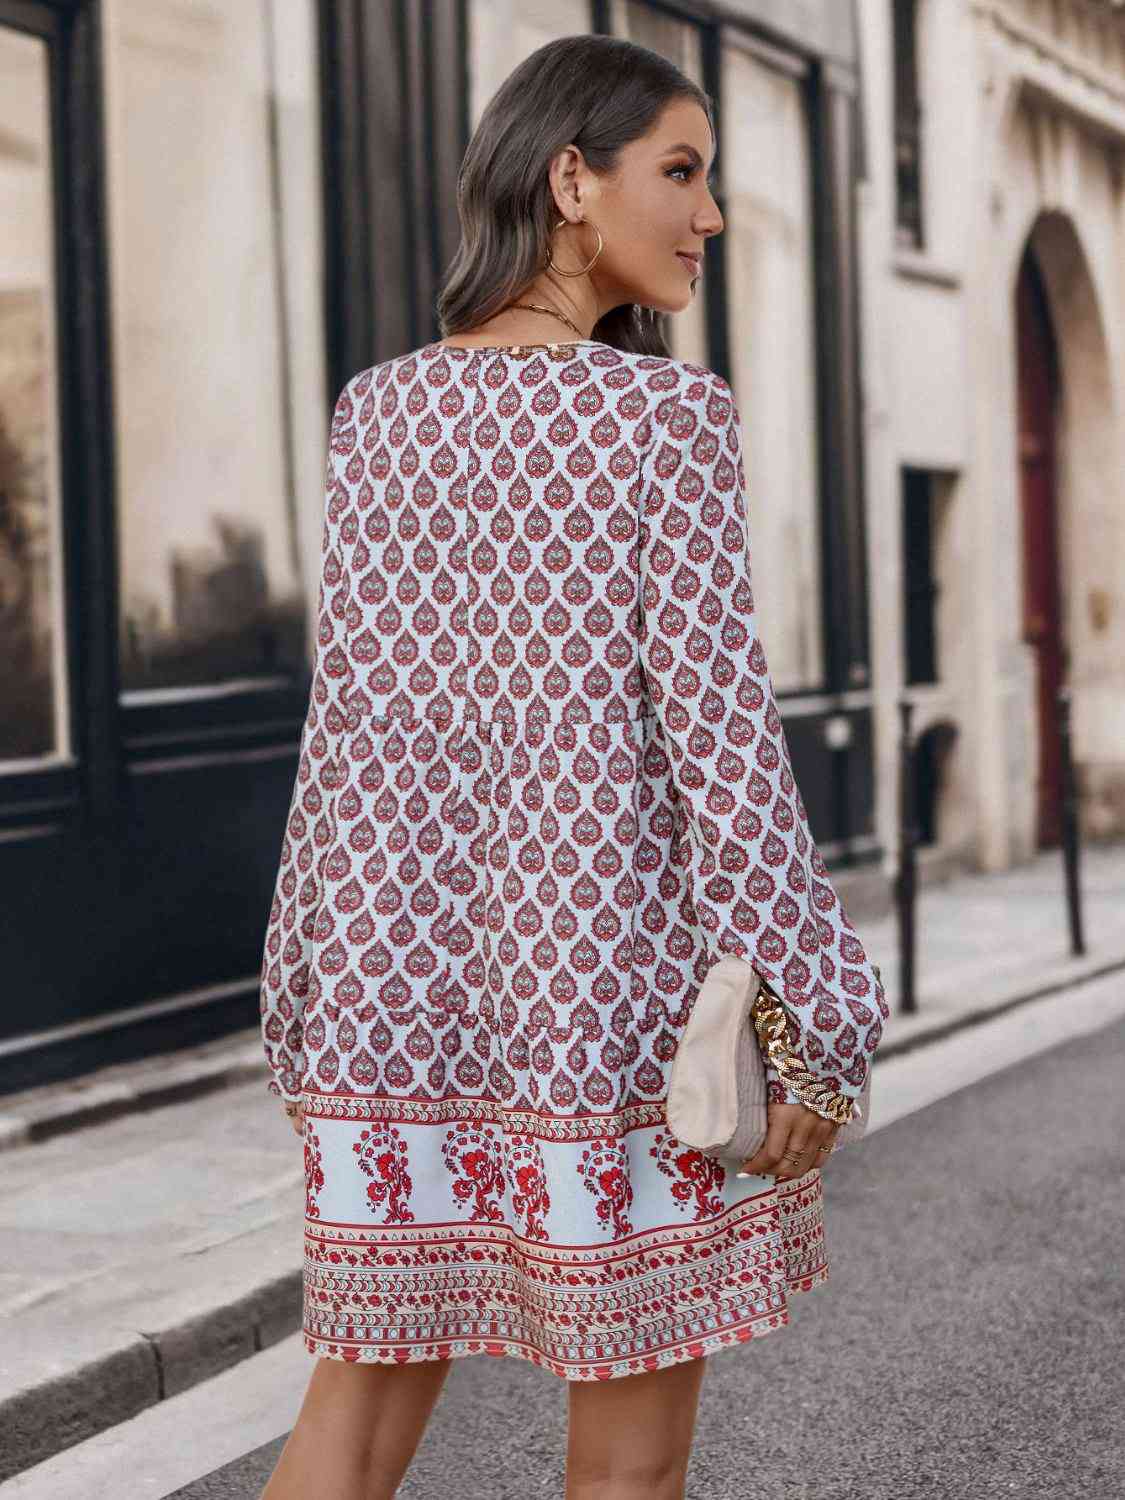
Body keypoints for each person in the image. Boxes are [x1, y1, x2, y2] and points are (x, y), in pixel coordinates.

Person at [258, 32, 886, 1500]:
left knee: (347, 1425)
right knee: (626, 1471)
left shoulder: (376, 411)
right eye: (681, 171)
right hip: (607, 1001)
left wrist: (298, 985)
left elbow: (344, 735)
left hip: (388, 992)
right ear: (569, 179)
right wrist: (816, 1010)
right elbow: (722, 744)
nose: (708, 214)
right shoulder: (667, 418)